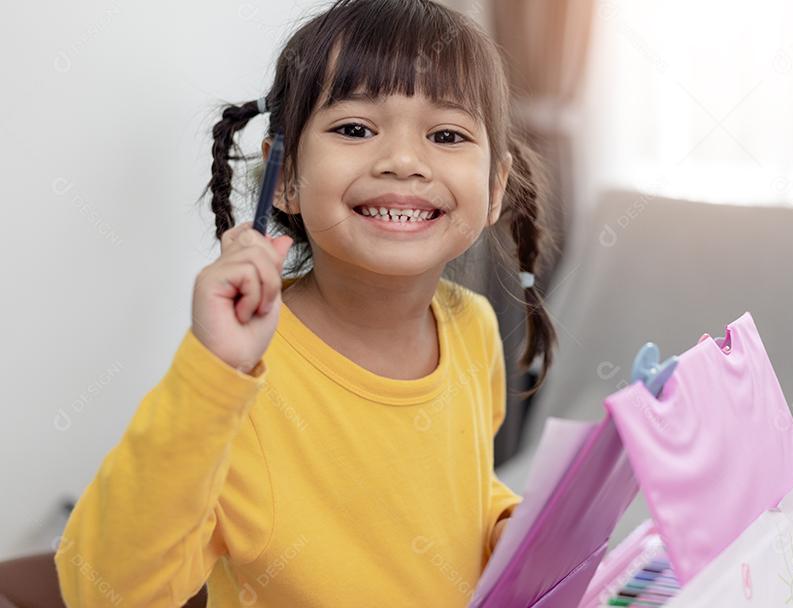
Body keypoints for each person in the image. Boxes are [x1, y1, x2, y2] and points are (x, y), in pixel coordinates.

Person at [55, 0, 558, 605]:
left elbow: (462, 493)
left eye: (446, 135)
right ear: (286, 174)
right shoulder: (244, 378)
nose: (402, 161)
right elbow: (104, 590)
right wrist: (216, 373)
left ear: (495, 186)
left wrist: (503, 525)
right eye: (354, 129)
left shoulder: (470, 326)